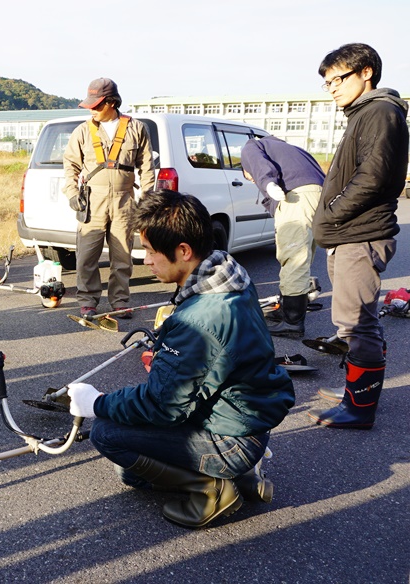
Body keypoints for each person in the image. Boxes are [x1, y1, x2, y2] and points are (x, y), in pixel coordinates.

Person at [67, 190, 295, 529]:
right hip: (246, 422)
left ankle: (214, 488)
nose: (146, 261)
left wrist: (96, 402)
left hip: (231, 437)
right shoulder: (227, 276)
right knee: (133, 451)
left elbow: (162, 406)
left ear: (184, 251)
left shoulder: (199, 319)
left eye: (151, 251)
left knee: (109, 438)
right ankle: (244, 474)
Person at [307, 43, 408, 429]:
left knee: (355, 324)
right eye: (327, 82)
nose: (332, 87)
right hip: (350, 234)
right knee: (358, 320)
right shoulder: (363, 113)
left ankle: (360, 407)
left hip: (360, 235)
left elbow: (374, 176)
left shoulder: (380, 111)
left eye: (339, 78)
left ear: (366, 72)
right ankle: (355, 391)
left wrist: (332, 213)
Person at [62, 77, 155, 319]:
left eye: (96, 104)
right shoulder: (82, 131)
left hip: (125, 201)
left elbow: (147, 168)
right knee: (86, 256)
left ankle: (120, 301)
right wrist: (72, 193)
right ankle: (87, 301)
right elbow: (70, 165)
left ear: (111, 102)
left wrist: (147, 199)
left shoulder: (136, 128)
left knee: (122, 256)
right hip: (92, 201)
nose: (91, 109)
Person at [240, 136, 326, 337]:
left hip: (296, 197)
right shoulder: (294, 149)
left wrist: (267, 183)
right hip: (320, 196)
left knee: (293, 257)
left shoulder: (253, 145)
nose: (252, 179)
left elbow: (257, 163)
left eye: (249, 177)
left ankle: (292, 323)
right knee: (303, 257)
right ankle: (287, 311)